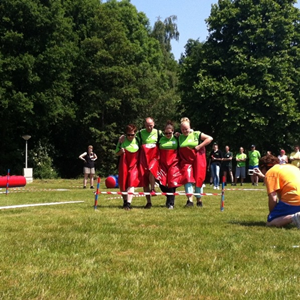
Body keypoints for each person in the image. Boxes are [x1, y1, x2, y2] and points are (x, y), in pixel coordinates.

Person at [254, 156, 300, 228]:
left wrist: (272, 215)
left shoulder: (270, 173)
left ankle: (294, 217)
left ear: (264, 167)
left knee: (270, 223)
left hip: (294, 197)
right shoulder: (289, 166)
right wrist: (264, 177)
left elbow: (273, 196)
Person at [178, 117, 213, 207]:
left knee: (199, 178)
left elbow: (210, 138)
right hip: (186, 160)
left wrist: (199, 146)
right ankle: (190, 200)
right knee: (187, 178)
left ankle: (199, 199)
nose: (184, 131)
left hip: (198, 158)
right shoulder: (179, 137)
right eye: (182, 129)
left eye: (186, 129)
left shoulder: (196, 134)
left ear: (190, 127)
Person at [151, 121, 181, 209]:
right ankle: (169, 196)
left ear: (173, 131)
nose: (168, 134)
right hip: (163, 163)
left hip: (174, 163)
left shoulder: (177, 138)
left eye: (170, 133)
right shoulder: (160, 139)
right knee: (161, 182)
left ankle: (170, 203)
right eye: (166, 133)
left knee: (172, 182)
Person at [115, 124, 141, 210]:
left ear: (135, 134)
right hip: (124, 165)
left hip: (134, 165)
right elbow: (116, 153)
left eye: (132, 134)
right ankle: (125, 201)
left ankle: (129, 204)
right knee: (123, 184)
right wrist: (121, 152)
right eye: (128, 134)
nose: (130, 136)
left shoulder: (138, 140)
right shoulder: (122, 140)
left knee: (131, 183)